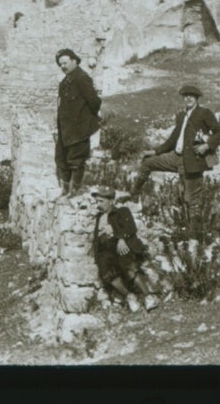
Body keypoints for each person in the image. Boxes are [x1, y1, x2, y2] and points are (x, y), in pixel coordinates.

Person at [133, 84, 220, 203]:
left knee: (189, 198)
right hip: (175, 157)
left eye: (191, 96)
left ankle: (190, 220)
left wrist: (206, 146)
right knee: (147, 163)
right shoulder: (181, 115)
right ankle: (134, 193)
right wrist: (155, 151)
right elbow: (173, 139)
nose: (188, 99)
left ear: (197, 98)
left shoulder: (204, 113)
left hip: (192, 161)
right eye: (186, 96)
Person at [90, 186, 166, 312]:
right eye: (97, 201)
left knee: (126, 261)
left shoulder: (122, 212)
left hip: (124, 247)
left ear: (111, 201)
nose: (98, 205)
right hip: (108, 251)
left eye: (101, 201)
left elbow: (130, 229)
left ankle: (149, 296)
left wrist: (119, 237)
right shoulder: (99, 217)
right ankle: (129, 296)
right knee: (104, 268)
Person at [55, 48, 101, 196]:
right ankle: (65, 190)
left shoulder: (82, 78)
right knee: (62, 159)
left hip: (79, 129)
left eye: (65, 62)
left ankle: (74, 192)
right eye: (60, 64)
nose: (63, 66)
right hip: (65, 129)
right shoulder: (65, 82)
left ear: (74, 61)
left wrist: (85, 120)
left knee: (76, 160)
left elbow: (94, 102)